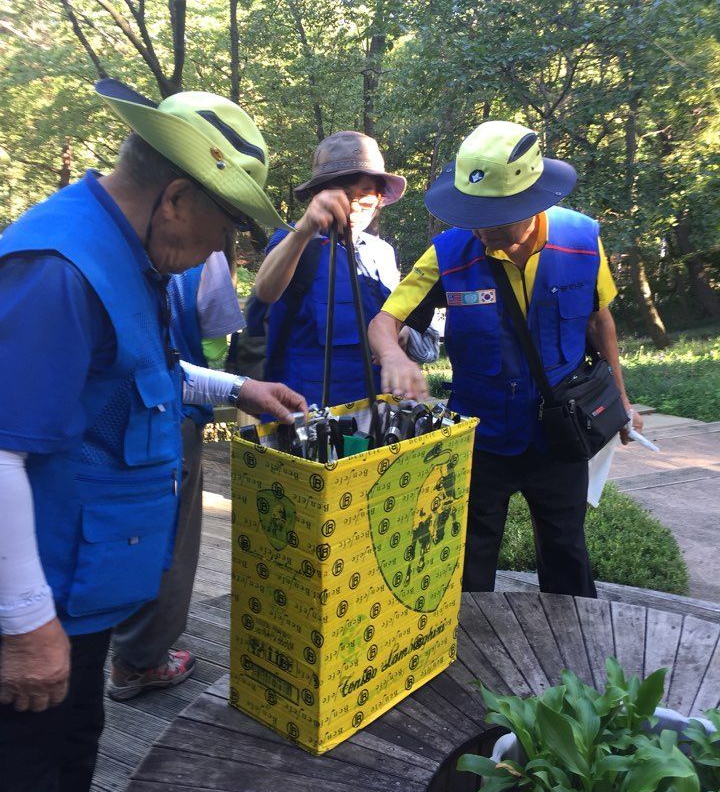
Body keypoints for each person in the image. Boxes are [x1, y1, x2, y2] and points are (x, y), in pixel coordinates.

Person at [0, 78, 306, 792]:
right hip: (42, 606)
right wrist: (27, 629)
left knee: (74, 750)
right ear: (175, 198)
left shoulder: (129, 253)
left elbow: (138, 369)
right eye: (226, 225)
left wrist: (238, 386)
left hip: (85, 593)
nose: (223, 252)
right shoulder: (60, 267)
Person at [369, 120, 643, 597]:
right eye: (474, 216)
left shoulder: (581, 240)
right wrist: (393, 355)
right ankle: (467, 654)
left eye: (495, 219)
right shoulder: (449, 254)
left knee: (566, 550)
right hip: (483, 435)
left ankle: (570, 654)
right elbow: (383, 322)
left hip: (560, 432)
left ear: (535, 201)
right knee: (471, 554)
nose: (482, 231)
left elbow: (600, 323)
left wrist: (620, 401)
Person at [108, 249, 244, 701]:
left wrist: (240, 389)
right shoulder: (202, 254)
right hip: (166, 417)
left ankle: (121, 648)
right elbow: (211, 343)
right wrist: (225, 385)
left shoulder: (101, 248)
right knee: (172, 536)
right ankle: (140, 661)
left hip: (113, 420)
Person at [253, 130, 410, 406]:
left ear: (379, 199)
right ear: (317, 195)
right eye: (343, 195)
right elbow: (266, 291)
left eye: (365, 195)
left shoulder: (382, 253)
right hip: (305, 411)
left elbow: (392, 315)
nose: (353, 206)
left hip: (374, 407)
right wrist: (305, 227)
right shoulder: (294, 240)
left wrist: (401, 331)